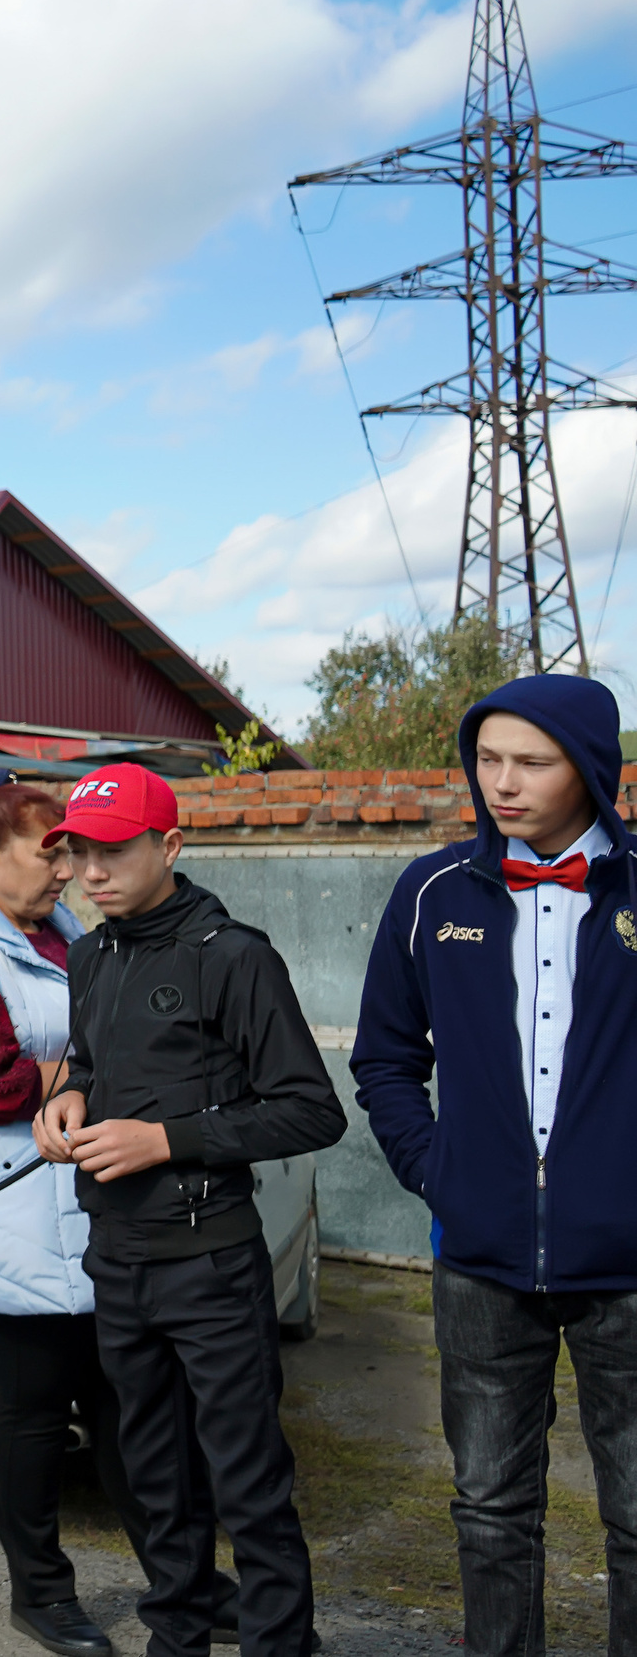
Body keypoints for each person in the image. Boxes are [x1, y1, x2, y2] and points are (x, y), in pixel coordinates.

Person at [0, 768, 235, 1657]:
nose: (70, 869)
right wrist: (115, 1070)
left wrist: (101, 1068)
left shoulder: (59, 932)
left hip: (92, 1206)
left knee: (137, 1410)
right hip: (12, 1214)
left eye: (77, 852)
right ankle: (41, 1592)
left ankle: (187, 1582)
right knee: (33, 1413)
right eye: (51, 851)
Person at [351, 675, 637, 1656]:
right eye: (487, 758)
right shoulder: (432, 893)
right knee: (488, 1512)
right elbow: (384, 1058)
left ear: (592, 770)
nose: (501, 782)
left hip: (629, 1270)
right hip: (479, 1262)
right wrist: (440, 1173)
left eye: (532, 760)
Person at [34, 762, 343, 1657]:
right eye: (79, 850)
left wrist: (165, 1139)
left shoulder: (233, 955)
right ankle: (177, 1639)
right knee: (154, 1480)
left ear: (169, 846)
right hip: (118, 1256)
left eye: (115, 849)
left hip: (210, 1262)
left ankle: (281, 1641)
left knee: (247, 1482)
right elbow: (90, 1061)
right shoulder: (89, 953)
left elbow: (310, 1109)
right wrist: (70, 1096)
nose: (92, 870)